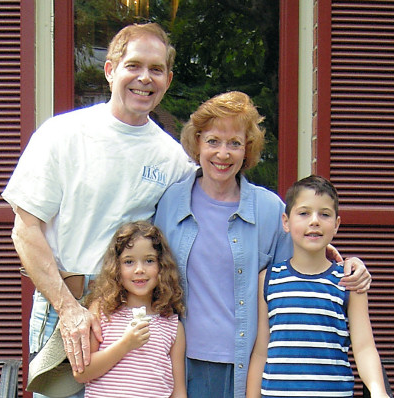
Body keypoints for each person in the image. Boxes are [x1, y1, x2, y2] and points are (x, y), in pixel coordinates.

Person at [1, 22, 195, 396]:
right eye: (134, 65)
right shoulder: (62, 134)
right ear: (110, 70)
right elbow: (25, 230)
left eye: (156, 69)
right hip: (65, 304)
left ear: (168, 80)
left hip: (130, 313)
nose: (144, 78)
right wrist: (69, 309)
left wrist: (305, 246)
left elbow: (207, 217)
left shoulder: (172, 158)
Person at [153, 91, 371, 398]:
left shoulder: (270, 209)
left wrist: (349, 263)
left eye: (235, 143)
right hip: (183, 363)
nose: (223, 153)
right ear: (197, 142)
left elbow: (300, 271)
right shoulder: (171, 202)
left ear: (247, 149)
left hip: (249, 366)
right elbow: (147, 269)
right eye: (213, 140)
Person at [246, 175, 388, 398]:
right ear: (286, 221)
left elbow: (364, 347)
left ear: (336, 224)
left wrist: (378, 391)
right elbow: (261, 352)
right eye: (304, 213)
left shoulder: (348, 281)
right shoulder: (269, 279)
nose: (314, 221)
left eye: (324, 214)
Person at [73, 221, 187, 398]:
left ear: (162, 267)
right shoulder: (102, 312)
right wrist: (126, 344)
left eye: (149, 260)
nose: (139, 269)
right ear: (116, 268)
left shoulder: (172, 327)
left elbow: (178, 392)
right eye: (129, 262)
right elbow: (82, 373)